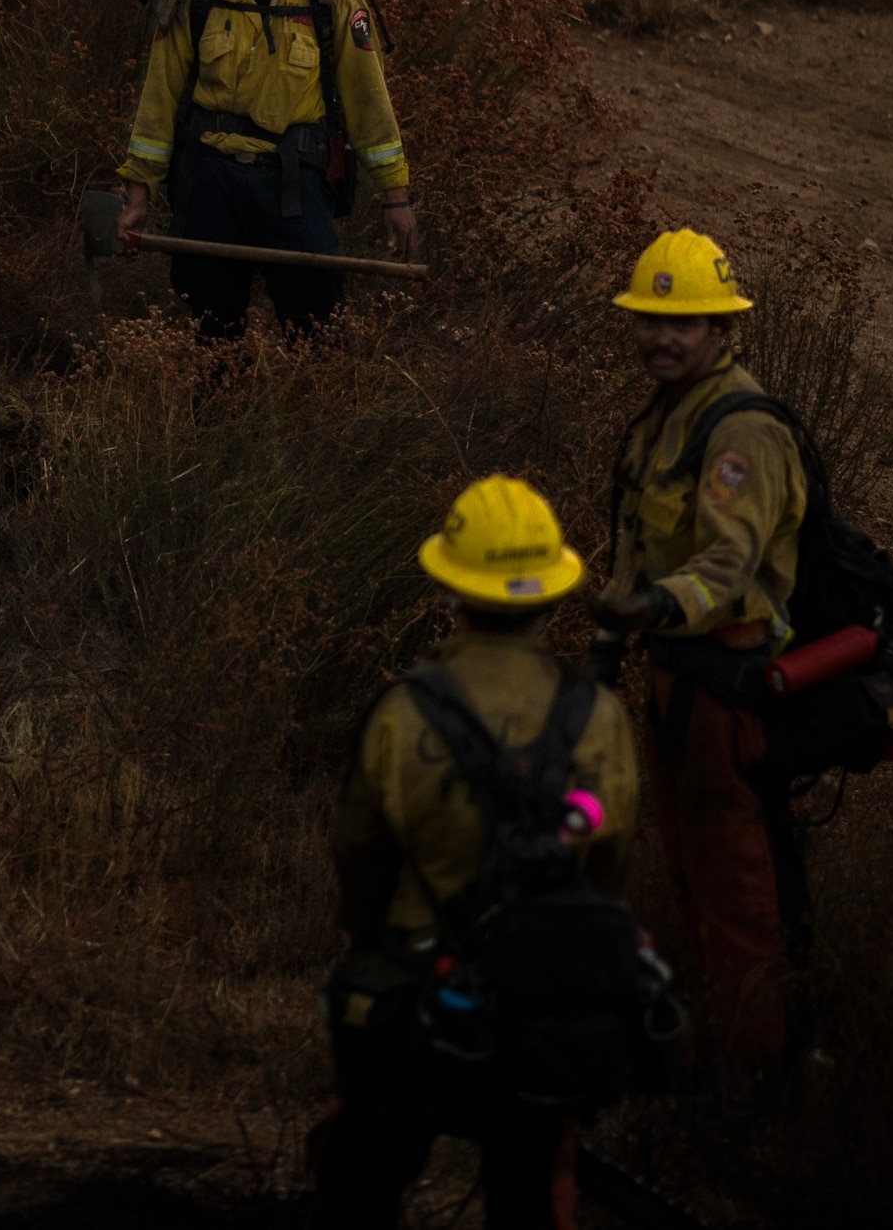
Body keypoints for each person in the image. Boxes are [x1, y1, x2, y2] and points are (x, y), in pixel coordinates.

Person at [315, 477, 643, 1230]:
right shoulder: (599, 716)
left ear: (448, 589)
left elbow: (359, 849)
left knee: (361, 1170)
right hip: (543, 994)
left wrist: (369, 945)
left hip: (415, 979)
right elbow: (609, 858)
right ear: (552, 596)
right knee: (530, 1189)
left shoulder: (403, 711)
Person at [591, 228, 811, 1079]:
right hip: (674, 674)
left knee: (738, 884)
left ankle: (762, 1076)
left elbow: (728, 564)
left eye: (685, 324)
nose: (662, 337)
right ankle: (719, 1045)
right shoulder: (662, 415)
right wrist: (610, 651)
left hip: (728, 674)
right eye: (651, 320)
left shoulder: (739, 428)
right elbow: (633, 542)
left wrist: (652, 606)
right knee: (687, 868)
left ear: (724, 331)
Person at [115, 0, 417, 337]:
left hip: (295, 185)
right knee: (213, 332)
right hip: (210, 183)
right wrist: (137, 193)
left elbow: (369, 102)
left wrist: (396, 197)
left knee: (320, 329)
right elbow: (159, 100)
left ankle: (311, 413)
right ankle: (219, 414)